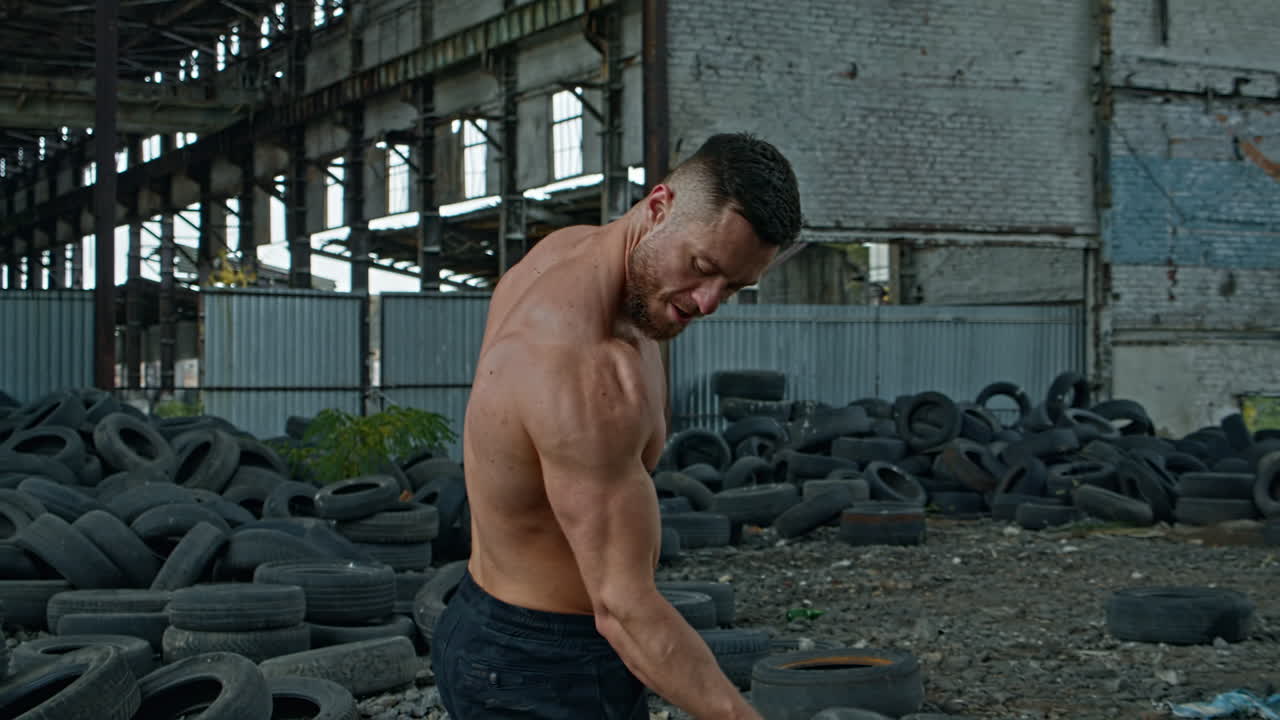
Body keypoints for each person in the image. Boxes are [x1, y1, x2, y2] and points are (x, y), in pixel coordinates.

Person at [431, 133, 802, 719]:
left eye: (732, 287)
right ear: (658, 208)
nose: (708, 301)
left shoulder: (571, 254)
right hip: (544, 667)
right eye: (702, 268)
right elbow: (623, 608)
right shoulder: (586, 367)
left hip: (496, 629)